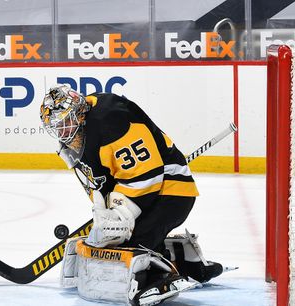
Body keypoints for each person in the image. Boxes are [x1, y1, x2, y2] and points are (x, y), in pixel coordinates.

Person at [40, 84, 223, 304]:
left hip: (171, 192)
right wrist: (104, 212)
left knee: (132, 245)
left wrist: (121, 213)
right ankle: (186, 261)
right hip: (143, 194)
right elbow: (97, 183)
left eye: (65, 123)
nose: (62, 131)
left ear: (79, 112)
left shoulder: (111, 119)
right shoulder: (73, 139)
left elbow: (148, 175)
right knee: (113, 242)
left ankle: (159, 276)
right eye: (57, 126)